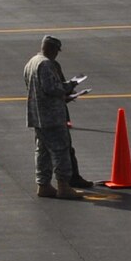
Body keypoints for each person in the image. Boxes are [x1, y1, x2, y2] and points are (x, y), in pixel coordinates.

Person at [23, 35, 77, 199]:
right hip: (51, 115)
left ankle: (43, 184)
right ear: (52, 49)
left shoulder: (32, 62)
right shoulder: (45, 64)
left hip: (37, 114)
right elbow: (51, 88)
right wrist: (69, 87)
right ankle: (63, 185)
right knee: (60, 149)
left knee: (43, 151)